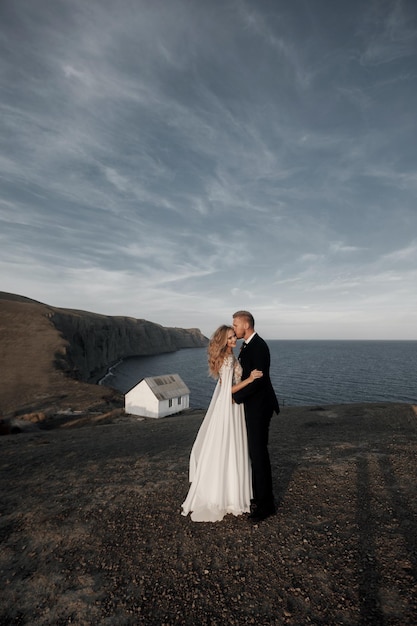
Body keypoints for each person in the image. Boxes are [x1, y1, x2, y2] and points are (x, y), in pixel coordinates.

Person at [181, 325, 263, 522]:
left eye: (234, 336)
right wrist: (251, 379)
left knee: (227, 446)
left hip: (229, 406)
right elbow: (228, 390)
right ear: (223, 341)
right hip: (229, 406)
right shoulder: (227, 360)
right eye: (230, 338)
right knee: (229, 446)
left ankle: (230, 491)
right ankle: (227, 494)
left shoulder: (230, 357)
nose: (234, 339)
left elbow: (222, 384)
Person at [232, 310, 279, 523]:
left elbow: (258, 380)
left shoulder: (259, 346)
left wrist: (235, 397)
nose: (233, 328)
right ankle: (257, 496)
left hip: (260, 407)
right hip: (253, 406)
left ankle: (266, 505)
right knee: (253, 453)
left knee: (259, 455)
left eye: (235, 325)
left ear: (246, 325)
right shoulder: (248, 345)